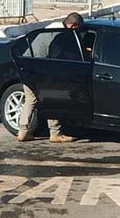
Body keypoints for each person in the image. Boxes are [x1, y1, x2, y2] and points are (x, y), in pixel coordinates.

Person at [17, 12, 84, 142]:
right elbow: (56, 57)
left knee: (30, 101)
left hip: (27, 68)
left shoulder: (51, 27)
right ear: (73, 25)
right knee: (53, 98)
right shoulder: (58, 34)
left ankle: (23, 132)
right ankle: (55, 133)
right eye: (77, 28)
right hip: (42, 71)